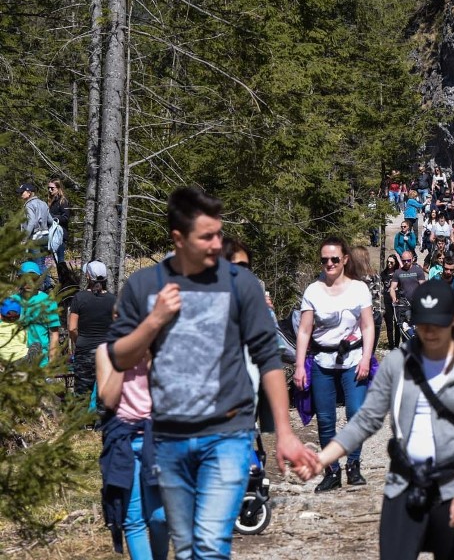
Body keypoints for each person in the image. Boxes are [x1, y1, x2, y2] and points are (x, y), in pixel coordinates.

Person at [105, 187, 317, 559]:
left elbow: (268, 358)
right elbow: (120, 357)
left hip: (227, 434)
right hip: (169, 437)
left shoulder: (241, 284)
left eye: (219, 233)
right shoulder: (145, 286)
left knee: (209, 544)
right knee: (186, 548)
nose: (217, 243)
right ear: (178, 238)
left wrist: (284, 432)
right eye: (207, 236)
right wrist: (153, 321)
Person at [301, 280, 454, 560]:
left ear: (453, 321)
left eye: (436, 324)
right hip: (405, 483)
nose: (429, 332)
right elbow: (366, 419)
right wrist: (322, 459)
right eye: (422, 324)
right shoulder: (397, 362)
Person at [294, 236, 375, 492]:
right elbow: (305, 331)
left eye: (334, 259)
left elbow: (368, 325)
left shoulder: (359, 289)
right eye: (324, 259)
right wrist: (298, 366)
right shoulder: (313, 291)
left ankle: (353, 465)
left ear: (345, 260)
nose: (329, 264)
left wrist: (365, 358)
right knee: (326, 419)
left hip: (352, 359)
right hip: (322, 361)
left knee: (355, 412)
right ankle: (332, 471)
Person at [96, 334, 168, 560]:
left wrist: (150, 357)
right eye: (119, 314)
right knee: (133, 519)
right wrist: (122, 361)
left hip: (155, 438)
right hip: (122, 441)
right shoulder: (106, 351)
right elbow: (107, 400)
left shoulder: (159, 346)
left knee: (160, 517)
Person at [68, 261, 117, 398]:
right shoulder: (113, 300)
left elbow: (72, 328)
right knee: (105, 395)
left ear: (88, 276)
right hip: (106, 353)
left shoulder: (79, 298)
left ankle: (84, 419)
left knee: (82, 396)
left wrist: (80, 341)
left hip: (84, 353)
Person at [12, 261, 60, 368]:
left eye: (33, 278)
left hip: (41, 363)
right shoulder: (12, 302)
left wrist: (51, 364)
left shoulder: (48, 302)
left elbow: (54, 335)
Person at [349, 245, 384, 355]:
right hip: (376, 316)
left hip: (362, 319)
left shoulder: (354, 278)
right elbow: (380, 294)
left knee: (357, 353)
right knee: (369, 353)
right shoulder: (375, 275)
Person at [17, 182, 53, 290]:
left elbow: (31, 222)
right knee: (42, 263)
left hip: (35, 238)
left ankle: (44, 288)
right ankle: (47, 286)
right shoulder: (43, 203)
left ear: (29, 192)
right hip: (46, 237)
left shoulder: (29, 205)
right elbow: (50, 220)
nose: (20, 195)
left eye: (22, 192)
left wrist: (24, 238)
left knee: (37, 265)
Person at [0, 298, 31, 364]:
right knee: (37, 345)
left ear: (1, 316)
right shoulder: (22, 328)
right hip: (21, 359)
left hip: (4, 360)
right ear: (19, 316)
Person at [47, 179, 71, 263]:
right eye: (48, 188)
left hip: (61, 234)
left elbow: (65, 218)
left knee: (60, 260)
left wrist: (52, 217)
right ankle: (62, 275)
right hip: (53, 234)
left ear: (58, 188)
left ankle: (64, 276)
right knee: (57, 260)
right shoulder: (52, 201)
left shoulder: (63, 201)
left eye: (52, 188)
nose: (50, 190)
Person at [381, 255, 402, 349]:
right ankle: (391, 344)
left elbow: (404, 270)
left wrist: (398, 258)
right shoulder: (383, 273)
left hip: (397, 299)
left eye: (391, 262)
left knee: (397, 323)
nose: (389, 264)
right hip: (387, 300)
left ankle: (397, 344)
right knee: (389, 324)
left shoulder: (398, 273)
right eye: (388, 262)